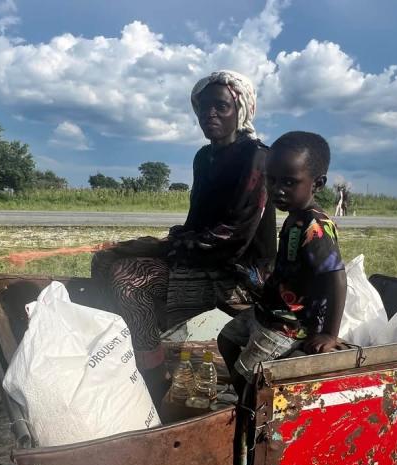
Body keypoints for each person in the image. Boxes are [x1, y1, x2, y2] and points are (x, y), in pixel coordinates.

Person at [91, 70, 276, 403]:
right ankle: (134, 348)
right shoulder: (204, 157)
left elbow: (234, 235)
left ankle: (155, 378)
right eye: (204, 108)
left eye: (221, 106)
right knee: (104, 260)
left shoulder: (256, 156)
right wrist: (161, 244)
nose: (210, 114)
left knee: (129, 279)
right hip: (203, 258)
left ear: (241, 110)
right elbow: (196, 223)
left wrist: (167, 247)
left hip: (239, 272)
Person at [218, 131, 347, 395]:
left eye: (289, 182)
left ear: (317, 183)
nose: (278, 190)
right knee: (226, 340)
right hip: (268, 312)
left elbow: (337, 279)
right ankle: (243, 395)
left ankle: (246, 406)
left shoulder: (316, 228)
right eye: (272, 179)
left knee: (248, 376)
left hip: (290, 324)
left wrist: (329, 334)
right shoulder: (294, 216)